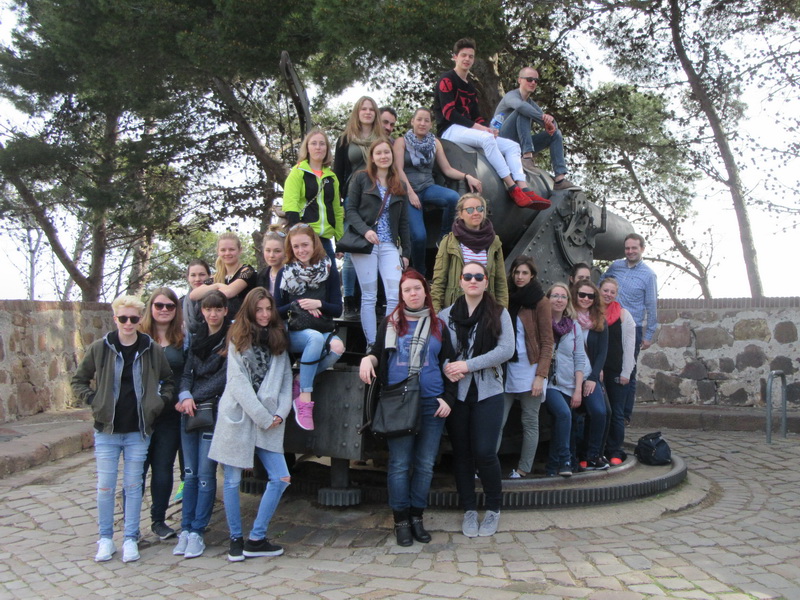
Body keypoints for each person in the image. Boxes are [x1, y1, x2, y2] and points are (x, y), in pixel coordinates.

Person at [71, 295, 174, 564]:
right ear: (115, 318)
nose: (128, 323)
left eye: (134, 318)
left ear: (140, 320)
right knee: (105, 486)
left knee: (132, 486)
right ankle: (105, 538)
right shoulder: (100, 348)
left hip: (138, 430)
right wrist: (95, 401)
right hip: (107, 429)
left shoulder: (151, 348)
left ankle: (130, 537)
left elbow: (168, 380)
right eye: (123, 318)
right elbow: (79, 380)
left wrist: (158, 402)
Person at [359, 270, 456, 546]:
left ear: (425, 291)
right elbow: (378, 353)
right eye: (407, 290)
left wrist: (448, 398)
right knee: (400, 464)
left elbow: (450, 365)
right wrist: (368, 359)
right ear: (401, 295)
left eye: (417, 288)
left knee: (425, 465)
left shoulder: (439, 326)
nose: (413, 293)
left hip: (431, 402)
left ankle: (417, 517)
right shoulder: (391, 323)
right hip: (399, 402)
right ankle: (400, 519)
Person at [208, 287, 293, 562]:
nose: (265, 314)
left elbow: (286, 381)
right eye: (259, 309)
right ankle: (235, 538)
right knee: (232, 480)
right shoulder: (237, 339)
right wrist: (263, 417)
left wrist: (281, 412)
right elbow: (237, 383)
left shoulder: (278, 339)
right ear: (250, 311)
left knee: (281, 478)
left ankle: (256, 537)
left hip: (270, 419)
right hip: (241, 416)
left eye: (269, 309)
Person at [440, 262, 515, 537]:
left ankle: (493, 508)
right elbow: (440, 349)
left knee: (485, 452)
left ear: (486, 282)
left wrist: (467, 365)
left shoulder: (498, 313)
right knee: (462, 455)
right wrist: (449, 366)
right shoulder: (446, 315)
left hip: (489, 392)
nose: (473, 280)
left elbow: (506, 349)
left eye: (478, 276)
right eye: (468, 276)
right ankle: (469, 509)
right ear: (461, 281)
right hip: (457, 394)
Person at [432, 38, 550, 211]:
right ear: (455, 57)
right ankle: (511, 186)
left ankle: (524, 187)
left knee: (512, 146)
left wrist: (489, 129)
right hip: (449, 130)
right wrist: (482, 129)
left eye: (470, 56)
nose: (467, 59)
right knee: (486, 138)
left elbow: (475, 116)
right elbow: (450, 113)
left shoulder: (471, 88)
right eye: (463, 55)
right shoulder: (447, 79)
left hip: (467, 130)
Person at [173, 291, 230, 559]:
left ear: (225, 311)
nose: (213, 314)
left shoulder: (230, 339)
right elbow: (187, 373)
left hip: (211, 411)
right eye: (209, 310)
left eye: (218, 309)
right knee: (190, 473)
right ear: (203, 312)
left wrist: (193, 396)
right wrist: (184, 395)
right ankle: (185, 528)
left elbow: (223, 378)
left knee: (207, 475)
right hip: (190, 411)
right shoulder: (196, 338)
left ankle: (198, 530)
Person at [394, 107, 482, 276]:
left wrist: (467, 176)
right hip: (408, 191)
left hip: (427, 187)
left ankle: (443, 237)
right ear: (412, 121)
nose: (422, 123)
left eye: (426, 120)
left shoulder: (435, 143)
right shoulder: (401, 142)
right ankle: (420, 271)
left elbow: (447, 169)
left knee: (453, 197)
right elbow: (398, 170)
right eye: (419, 119)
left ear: (430, 124)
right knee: (419, 236)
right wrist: (410, 194)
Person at [274, 224, 345, 431]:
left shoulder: (328, 269)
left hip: (321, 326)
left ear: (314, 244)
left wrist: (319, 304)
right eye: (296, 247)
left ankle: (300, 379)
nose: (301, 250)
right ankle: (305, 399)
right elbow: (276, 311)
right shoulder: (285, 273)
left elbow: (337, 309)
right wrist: (299, 305)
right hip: (293, 330)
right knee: (314, 338)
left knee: (338, 348)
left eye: (305, 245)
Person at [345, 139, 411, 349]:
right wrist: (365, 231)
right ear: (372, 157)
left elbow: (403, 221)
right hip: (366, 244)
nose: (384, 156)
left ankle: (387, 340)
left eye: (387, 152)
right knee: (369, 296)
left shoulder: (397, 184)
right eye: (379, 153)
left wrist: (406, 251)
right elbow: (350, 210)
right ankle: (372, 344)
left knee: (394, 294)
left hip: (389, 244)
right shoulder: (361, 179)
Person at [498, 256, 553, 479]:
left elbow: (548, 342)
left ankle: (523, 469)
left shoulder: (540, 302)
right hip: (507, 370)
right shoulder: (508, 299)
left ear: (532, 276)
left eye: (524, 273)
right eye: (517, 272)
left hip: (530, 369)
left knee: (530, 421)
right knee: (497, 421)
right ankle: (485, 466)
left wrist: (541, 375)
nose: (520, 277)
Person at [138, 288, 186, 541]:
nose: (164, 309)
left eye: (170, 305)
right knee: (136, 470)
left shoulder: (182, 338)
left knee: (163, 466)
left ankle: (158, 520)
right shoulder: (138, 337)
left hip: (171, 413)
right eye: (159, 305)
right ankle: (131, 524)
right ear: (151, 307)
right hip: (140, 415)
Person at [334, 96, 385, 319]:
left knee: (379, 247)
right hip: (353, 196)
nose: (367, 112)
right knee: (352, 250)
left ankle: (374, 298)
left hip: (377, 196)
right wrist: (339, 202)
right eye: (363, 109)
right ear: (357, 112)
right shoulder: (345, 139)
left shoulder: (382, 139)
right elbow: (338, 171)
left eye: (371, 109)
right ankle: (351, 299)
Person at [599, 233, 658, 424]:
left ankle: (624, 415)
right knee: (608, 366)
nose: (630, 251)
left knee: (629, 370)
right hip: (610, 323)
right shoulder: (616, 266)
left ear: (642, 249)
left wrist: (649, 335)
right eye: (627, 248)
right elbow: (601, 282)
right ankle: (609, 407)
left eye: (634, 248)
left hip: (633, 327)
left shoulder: (648, 275)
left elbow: (651, 305)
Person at [493, 67, 575, 189]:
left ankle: (559, 178)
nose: (533, 83)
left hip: (518, 145)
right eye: (529, 79)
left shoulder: (531, 103)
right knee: (523, 110)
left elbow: (552, 128)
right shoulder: (511, 96)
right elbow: (521, 107)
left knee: (555, 134)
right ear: (520, 80)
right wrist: (543, 118)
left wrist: (550, 121)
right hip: (501, 140)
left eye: (536, 81)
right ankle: (527, 157)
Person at [431, 193, 508, 311]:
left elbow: (501, 282)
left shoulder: (494, 242)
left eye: (480, 208)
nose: (476, 213)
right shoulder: (449, 242)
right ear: (461, 214)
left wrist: (502, 313)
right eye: (470, 210)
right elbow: (439, 281)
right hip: (456, 309)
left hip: (486, 310)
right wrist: (436, 314)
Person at [543, 283, 589, 478]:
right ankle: (565, 459)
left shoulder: (574, 326)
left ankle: (552, 468)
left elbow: (579, 358)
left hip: (569, 383)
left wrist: (578, 388)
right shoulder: (542, 323)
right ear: (548, 299)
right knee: (563, 415)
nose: (559, 300)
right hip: (548, 383)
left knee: (559, 424)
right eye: (555, 296)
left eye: (563, 296)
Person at [282, 128, 343, 261]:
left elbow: (337, 210)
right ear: (307, 148)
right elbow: (290, 204)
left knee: (332, 279)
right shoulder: (297, 172)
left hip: (325, 239)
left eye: (322, 144)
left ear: (327, 148)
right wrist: (296, 234)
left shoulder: (332, 177)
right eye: (313, 143)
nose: (318, 147)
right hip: (306, 238)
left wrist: (340, 241)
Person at [571, 280, 609, 471]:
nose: (586, 299)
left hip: (589, 375)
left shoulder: (599, 321)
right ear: (575, 295)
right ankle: (574, 456)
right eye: (582, 295)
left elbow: (602, 352)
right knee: (572, 417)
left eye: (590, 296)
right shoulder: (568, 318)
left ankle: (592, 455)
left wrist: (593, 378)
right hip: (569, 375)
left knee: (599, 412)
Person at [598, 277, 636, 466]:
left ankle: (614, 450)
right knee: (599, 412)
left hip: (616, 370)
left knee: (616, 412)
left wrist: (626, 372)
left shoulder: (623, 315)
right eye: (605, 290)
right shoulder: (593, 313)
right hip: (597, 371)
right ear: (599, 290)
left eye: (612, 292)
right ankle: (596, 449)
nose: (608, 294)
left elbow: (629, 346)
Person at [189, 232, 256, 319]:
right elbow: (193, 295)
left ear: (240, 250)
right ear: (218, 252)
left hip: (242, 324)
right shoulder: (216, 277)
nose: (227, 253)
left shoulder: (247, 271)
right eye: (223, 250)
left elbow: (229, 292)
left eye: (231, 249)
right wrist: (217, 285)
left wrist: (210, 290)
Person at [183, 259, 211, 335]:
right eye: (193, 275)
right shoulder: (180, 304)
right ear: (188, 277)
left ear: (209, 276)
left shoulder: (218, 300)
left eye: (202, 274)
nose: (197, 279)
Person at [257, 228, 287, 297]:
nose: (271, 255)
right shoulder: (261, 276)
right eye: (268, 250)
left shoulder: (292, 274)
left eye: (277, 251)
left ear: (286, 251)